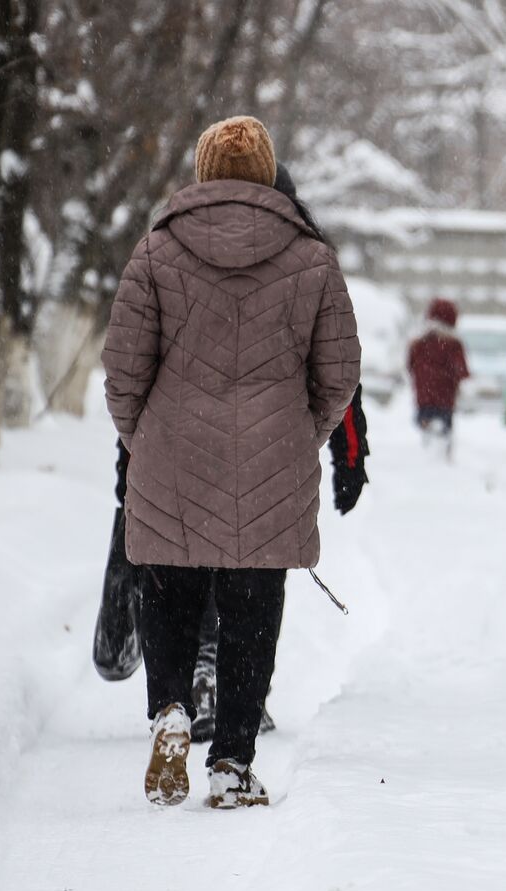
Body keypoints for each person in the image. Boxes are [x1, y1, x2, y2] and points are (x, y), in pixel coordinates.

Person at [102, 115, 359, 809]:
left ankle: (171, 711)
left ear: (202, 171)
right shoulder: (312, 258)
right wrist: (299, 431)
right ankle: (234, 763)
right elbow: (339, 373)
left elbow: (123, 369)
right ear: (270, 173)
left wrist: (145, 435)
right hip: (271, 459)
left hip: (172, 456)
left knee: (171, 595)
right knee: (251, 615)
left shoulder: (156, 251)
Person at [406, 297, 469, 458]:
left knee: (425, 426)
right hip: (445, 398)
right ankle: (442, 455)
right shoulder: (454, 344)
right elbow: (462, 370)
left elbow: (410, 365)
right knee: (444, 430)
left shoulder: (419, 342)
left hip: (424, 397)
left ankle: (426, 453)